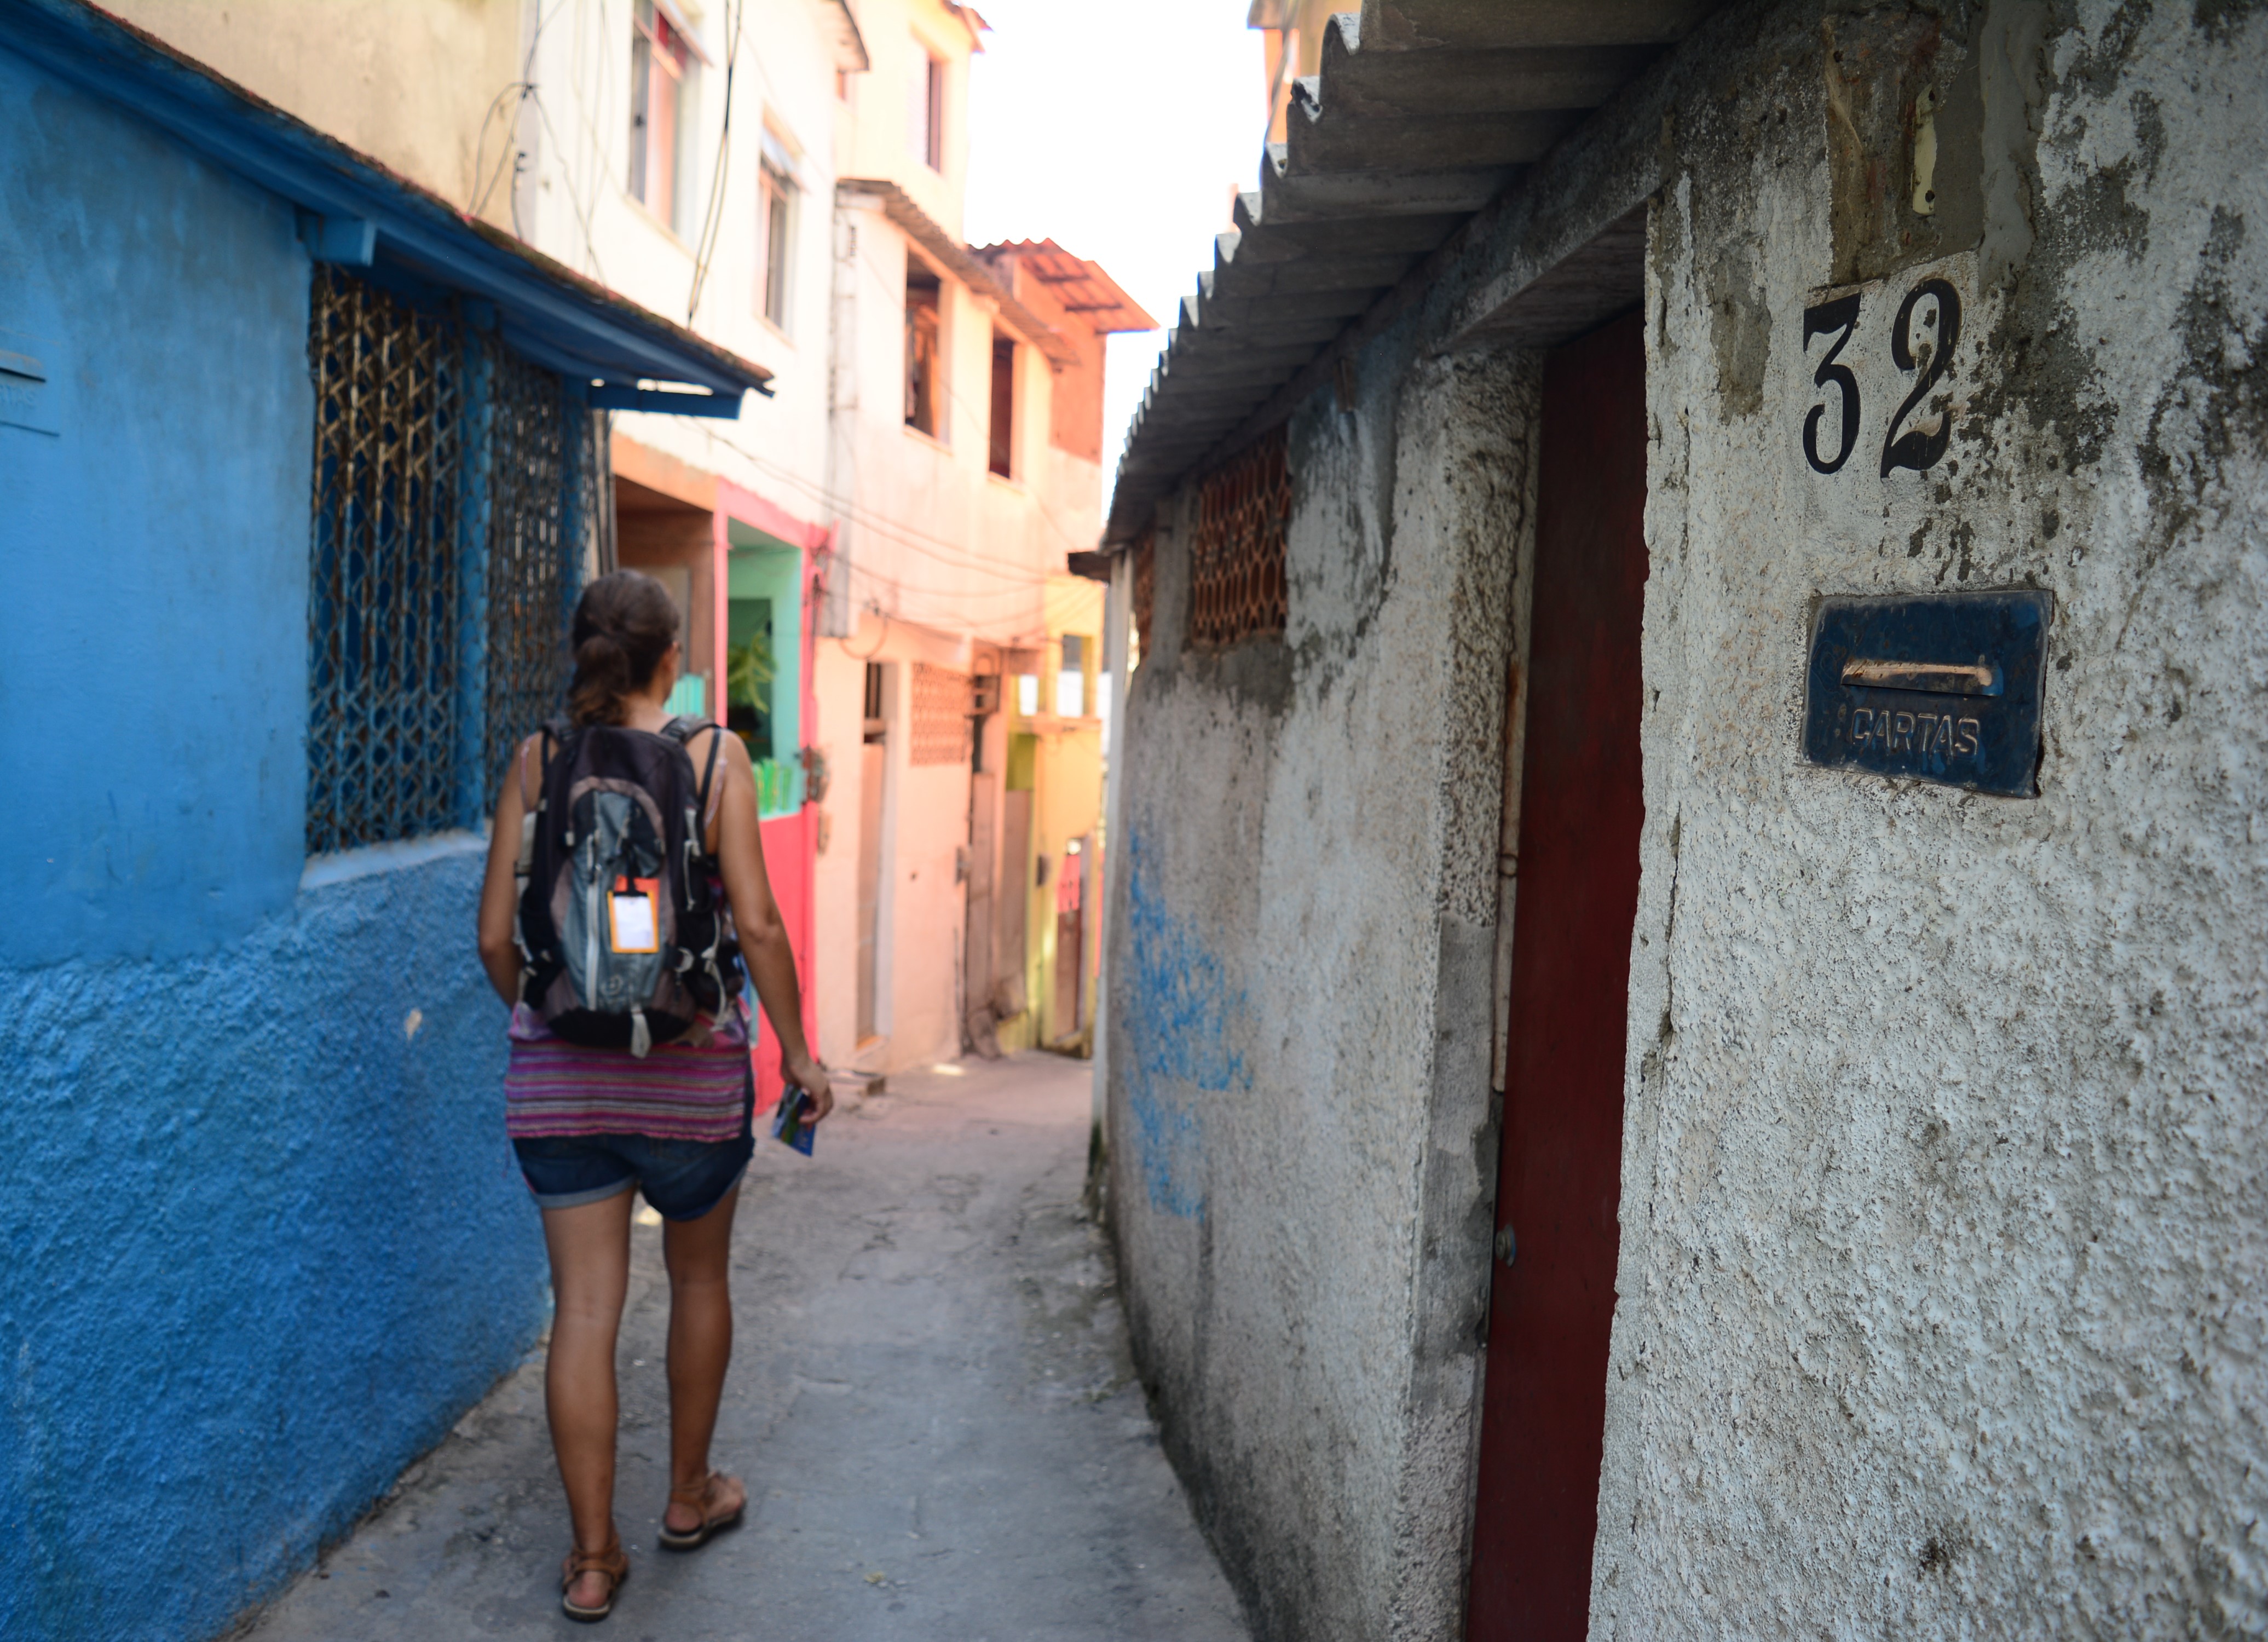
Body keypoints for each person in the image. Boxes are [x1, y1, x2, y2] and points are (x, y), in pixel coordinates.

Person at [476, 570, 831, 1622]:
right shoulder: (716, 758)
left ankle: (593, 1559)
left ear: (582, 652)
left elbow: (496, 937)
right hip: (688, 1080)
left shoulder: (537, 760)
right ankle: (687, 1496)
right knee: (698, 1282)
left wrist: (546, 1013)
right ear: (672, 658)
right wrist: (800, 1055)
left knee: (584, 1312)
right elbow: (758, 928)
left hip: (559, 1091)